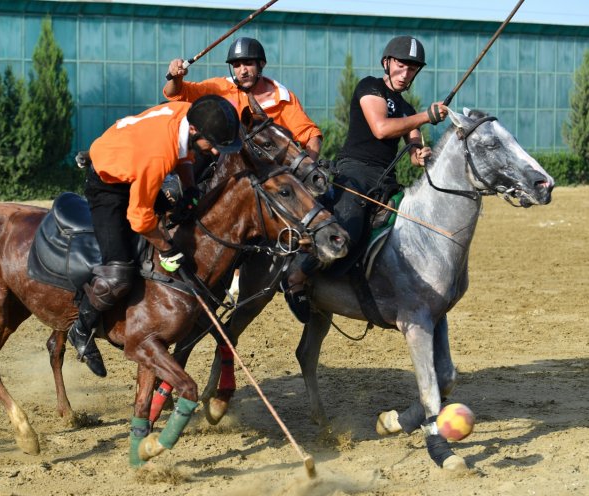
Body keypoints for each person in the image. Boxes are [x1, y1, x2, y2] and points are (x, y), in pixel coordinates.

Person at [70, 95, 242, 377]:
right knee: (118, 273)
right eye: (213, 145)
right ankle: (81, 329)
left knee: (185, 212)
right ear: (197, 131)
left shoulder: (188, 112)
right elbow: (140, 217)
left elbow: (184, 153)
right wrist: (166, 248)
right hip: (109, 184)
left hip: (134, 161)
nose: (214, 153)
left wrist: (189, 189)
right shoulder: (158, 154)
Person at [283, 35, 450, 323]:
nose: (406, 73)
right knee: (349, 225)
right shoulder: (369, 87)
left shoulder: (409, 110)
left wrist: (421, 154)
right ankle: (297, 277)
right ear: (387, 63)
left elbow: (412, 150)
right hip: (354, 173)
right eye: (401, 65)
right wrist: (426, 116)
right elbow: (382, 129)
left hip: (387, 181)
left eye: (412, 69)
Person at [164, 36, 323, 161]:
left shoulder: (284, 99)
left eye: (248, 63)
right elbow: (176, 93)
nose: (243, 71)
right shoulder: (220, 86)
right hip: (221, 166)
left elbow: (312, 136)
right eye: (237, 65)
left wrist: (307, 171)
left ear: (262, 64)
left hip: (269, 174)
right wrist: (176, 78)